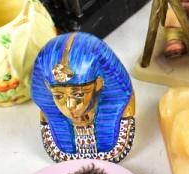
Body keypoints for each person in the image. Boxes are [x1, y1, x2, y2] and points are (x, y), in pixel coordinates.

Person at [31, 32, 135, 162]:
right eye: (59, 96)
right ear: (48, 88)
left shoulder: (123, 108)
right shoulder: (48, 114)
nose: (70, 105)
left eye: (79, 94)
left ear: (99, 83)